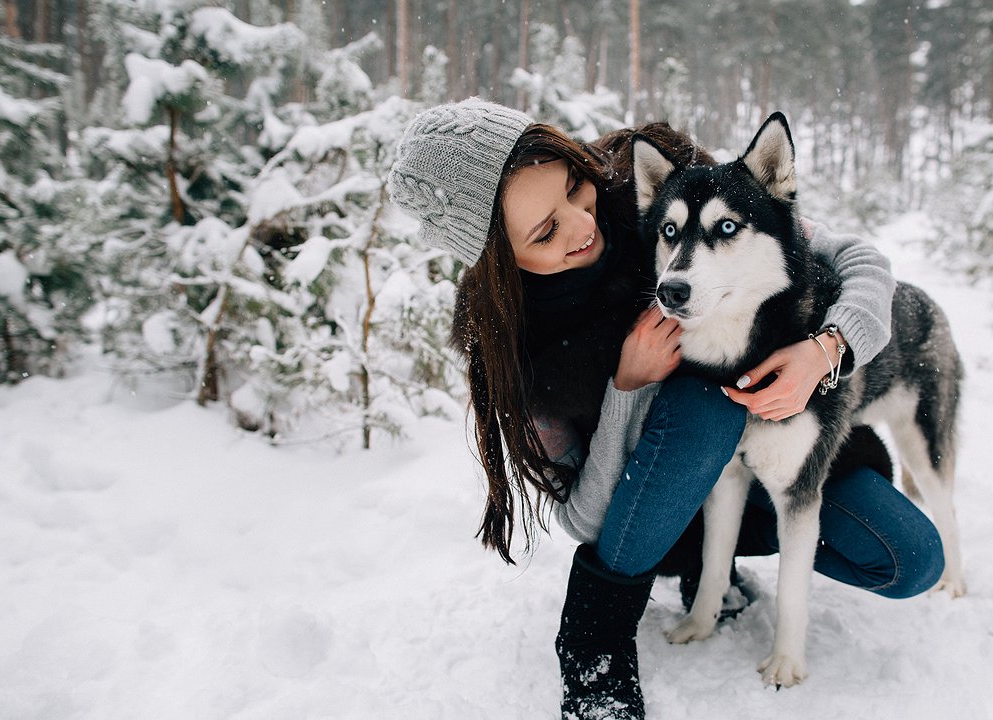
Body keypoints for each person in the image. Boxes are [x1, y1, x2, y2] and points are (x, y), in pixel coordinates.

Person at [389, 98, 944, 719]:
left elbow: (858, 260)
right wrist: (628, 387)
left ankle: (721, 561)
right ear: (498, 258)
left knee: (909, 560)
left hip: (771, 460)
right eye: (545, 231)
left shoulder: (655, 188)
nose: (581, 224)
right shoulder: (517, 353)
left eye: (574, 186)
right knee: (706, 402)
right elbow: (583, 519)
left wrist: (828, 348)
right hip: (649, 514)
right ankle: (593, 637)